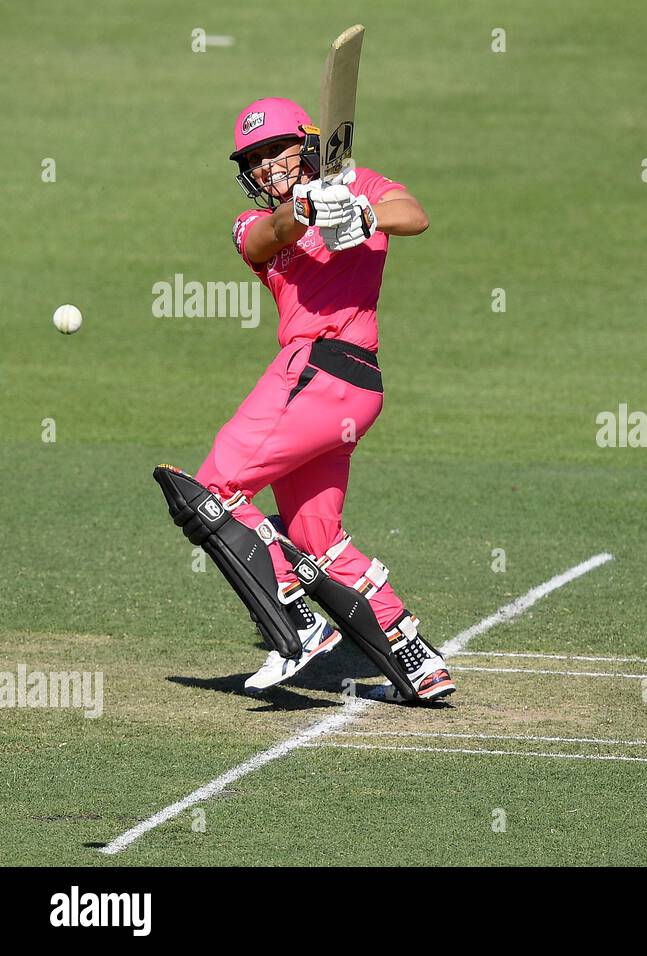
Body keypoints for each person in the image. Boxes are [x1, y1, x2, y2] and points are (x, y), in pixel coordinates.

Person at [165, 97, 454, 701]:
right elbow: (271, 235)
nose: (267, 166)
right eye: (255, 159)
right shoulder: (250, 225)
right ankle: (415, 658)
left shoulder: (359, 184)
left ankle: (296, 624)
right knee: (315, 540)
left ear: (308, 142)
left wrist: (362, 214)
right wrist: (304, 209)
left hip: (319, 369)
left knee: (211, 491)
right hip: (345, 392)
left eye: (276, 149)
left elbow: (415, 215)